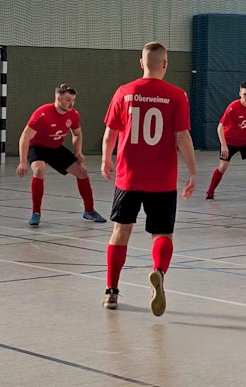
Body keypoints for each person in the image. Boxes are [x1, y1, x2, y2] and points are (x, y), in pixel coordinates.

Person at [100, 42, 197, 316]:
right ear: (165, 64)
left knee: (120, 232)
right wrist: (192, 171)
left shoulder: (124, 92)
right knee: (162, 234)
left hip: (128, 177)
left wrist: (107, 159)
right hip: (162, 180)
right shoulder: (177, 95)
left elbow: (111, 134)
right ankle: (158, 272)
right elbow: (183, 137)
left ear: (141, 62)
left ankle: (111, 292)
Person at [16, 84, 106, 226]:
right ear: (59, 98)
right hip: (37, 148)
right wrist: (22, 162)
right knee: (39, 170)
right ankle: (36, 213)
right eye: (68, 100)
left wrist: (78, 151)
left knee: (82, 171)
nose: (71, 104)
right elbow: (25, 138)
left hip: (55, 148)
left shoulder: (74, 115)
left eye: (73, 100)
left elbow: (77, 134)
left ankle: (89, 211)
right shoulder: (43, 113)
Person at [205, 80, 246, 201]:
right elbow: (220, 127)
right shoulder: (233, 107)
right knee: (223, 167)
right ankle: (210, 192)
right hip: (229, 142)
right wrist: (223, 145)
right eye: (245, 94)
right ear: (240, 93)